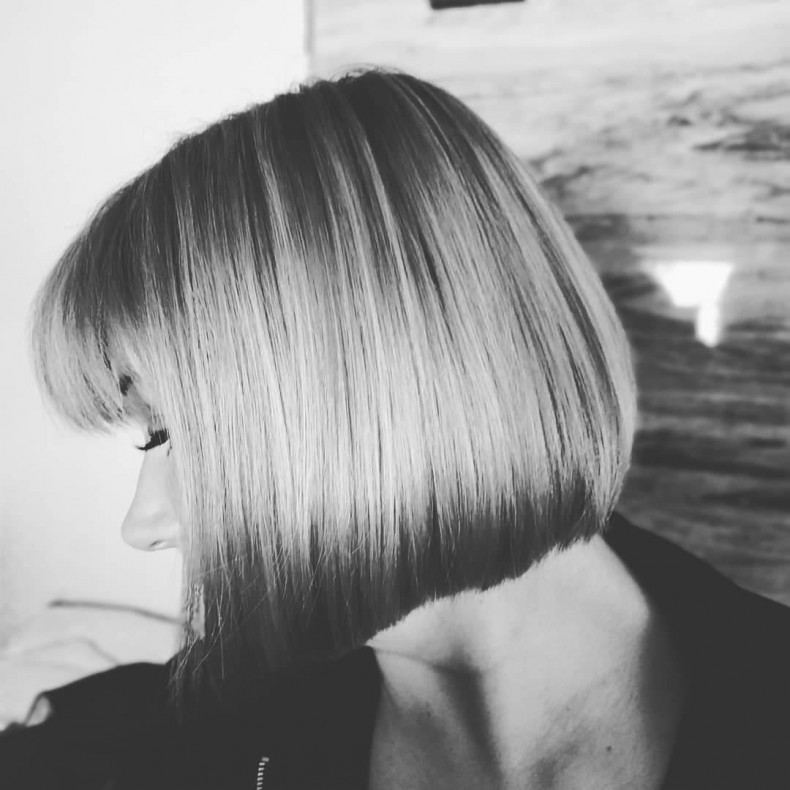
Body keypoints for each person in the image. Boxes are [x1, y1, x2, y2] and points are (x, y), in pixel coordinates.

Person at [4, 66, 790, 790]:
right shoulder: (188, 732)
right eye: (151, 438)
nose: (144, 525)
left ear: (388, 390)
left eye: (187, 432)